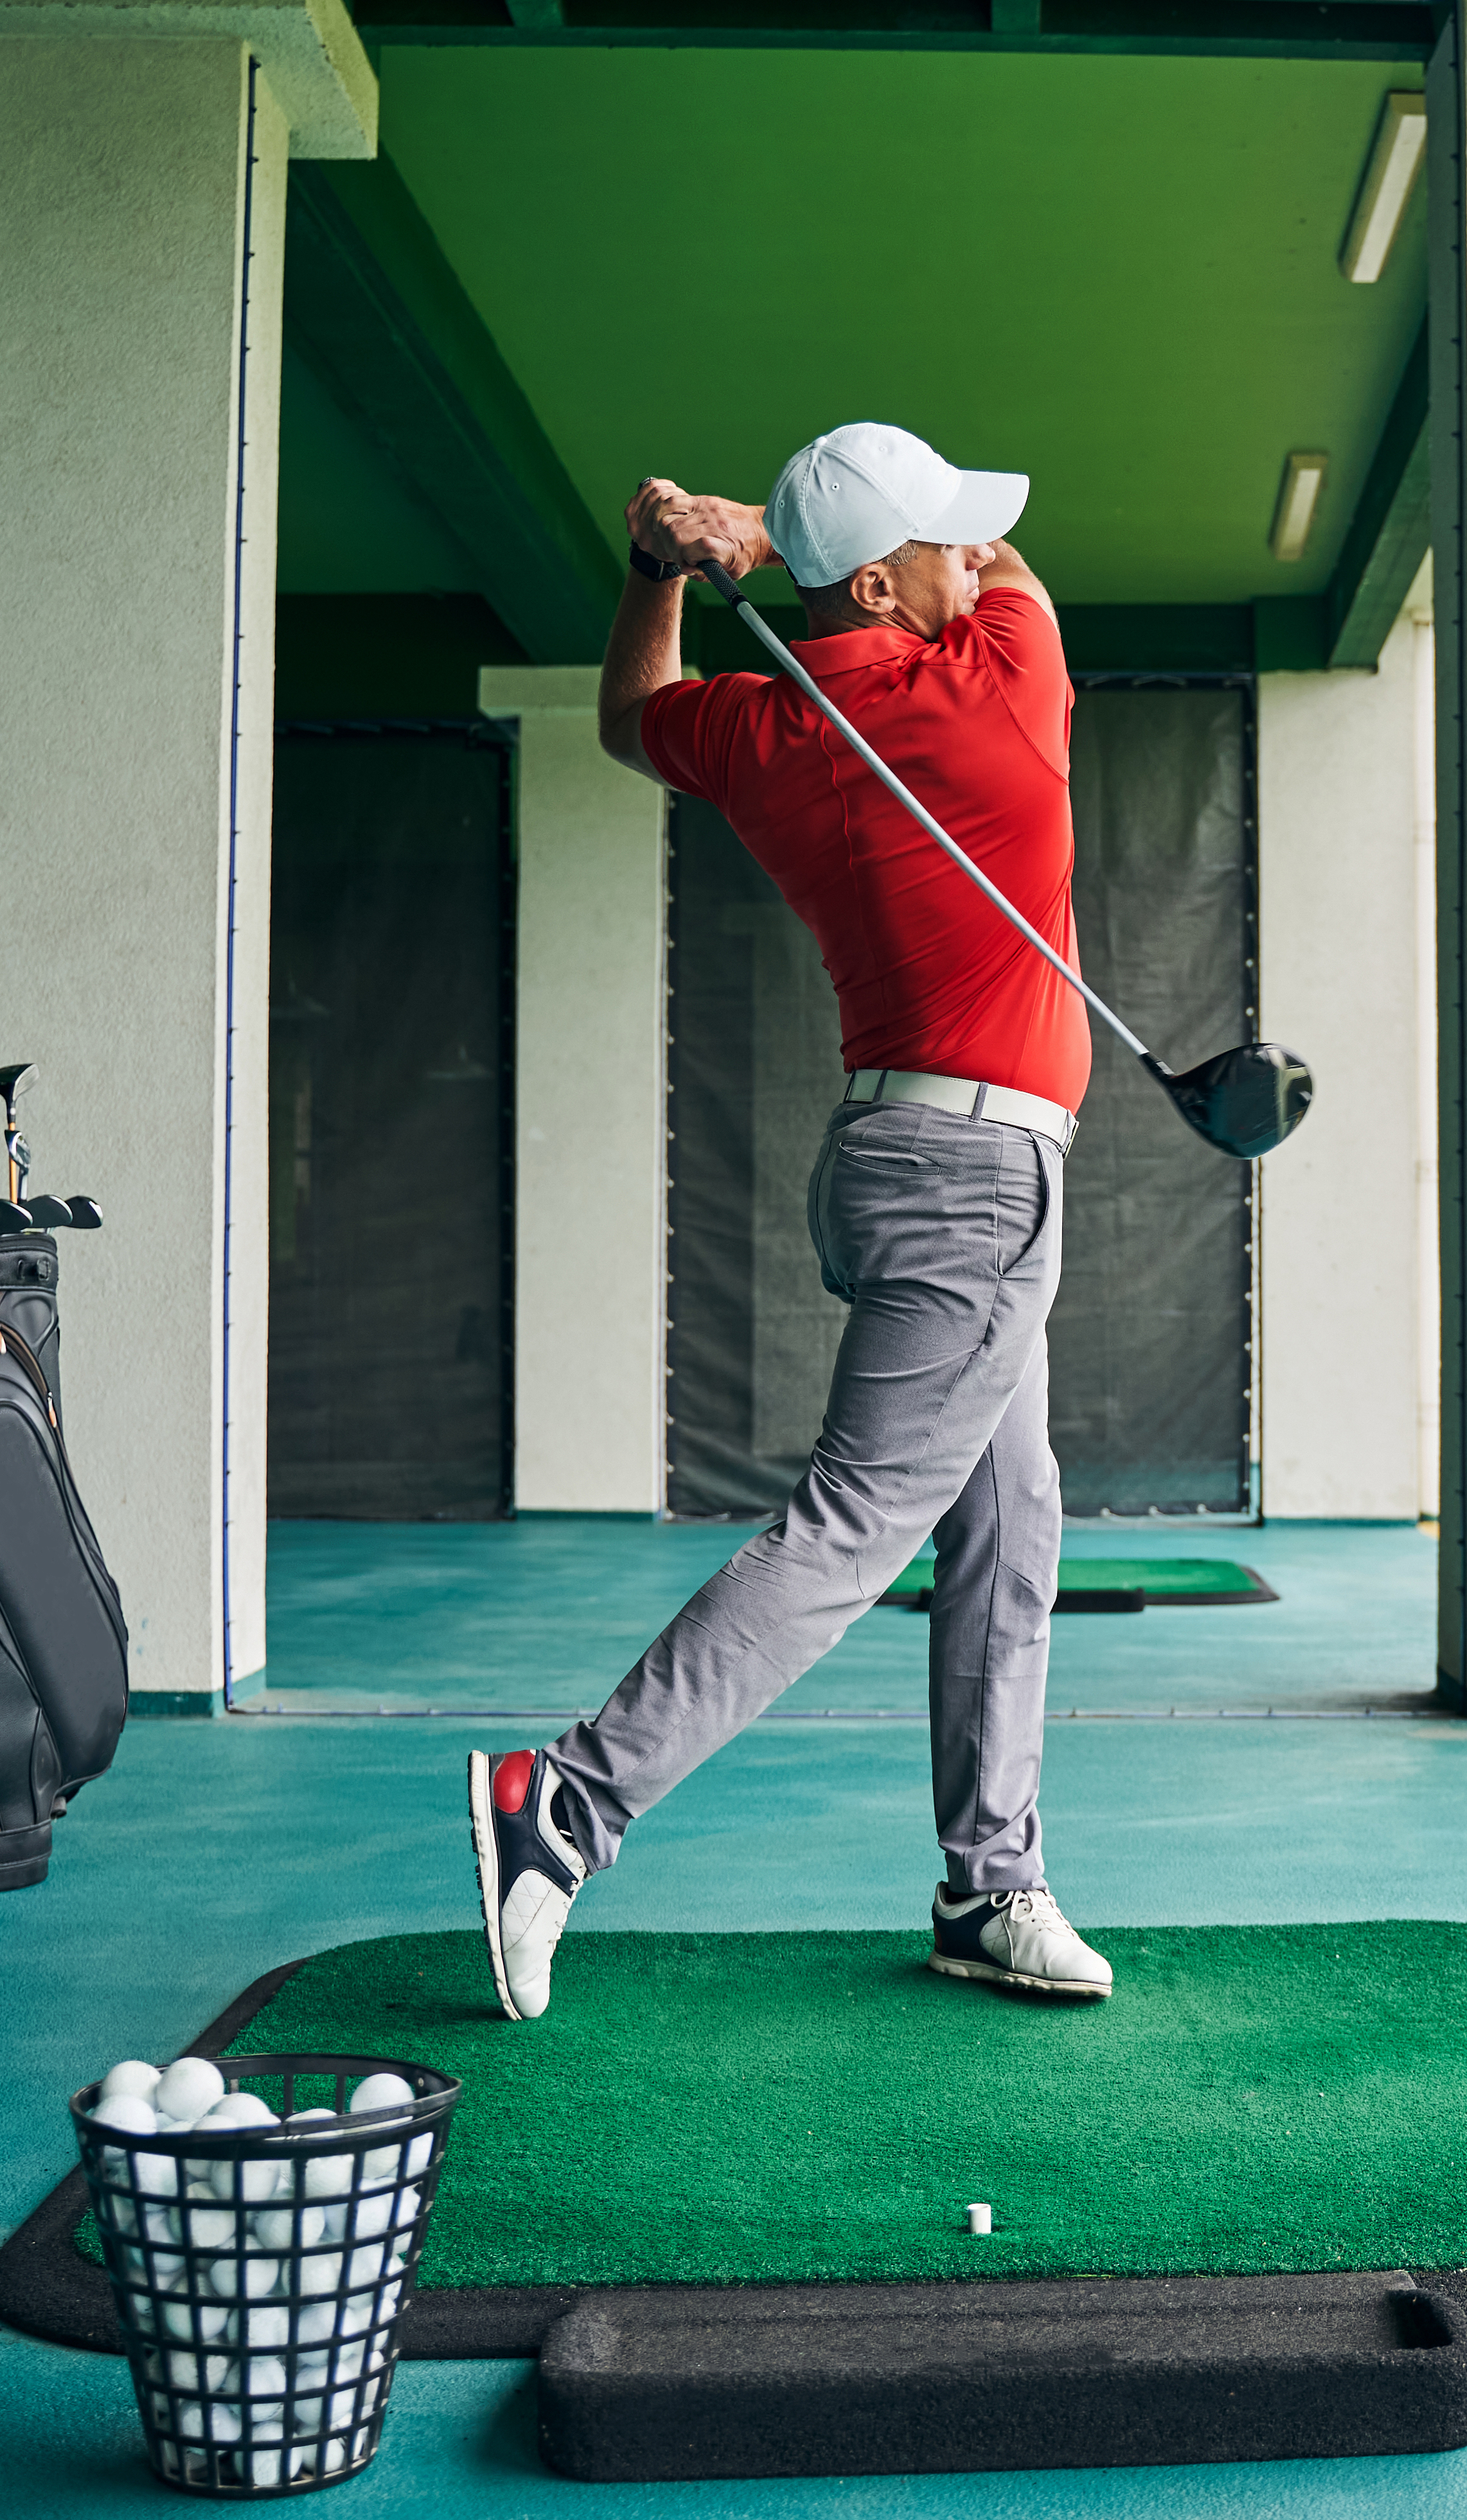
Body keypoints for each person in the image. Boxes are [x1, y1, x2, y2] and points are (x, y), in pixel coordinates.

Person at [464, 421, 1114, 2022]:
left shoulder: (767, 728)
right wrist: (766, 534)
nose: (979, 559)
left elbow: (626, 717)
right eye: (945, 545)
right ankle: (567, 1805)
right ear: (885, 584)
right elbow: (1018, 579)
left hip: (892, 1162)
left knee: (1008, 1523)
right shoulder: (999, 686)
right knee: (849, 1531)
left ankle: (991, 1883)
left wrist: (658, 570)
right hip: (975, 1190)